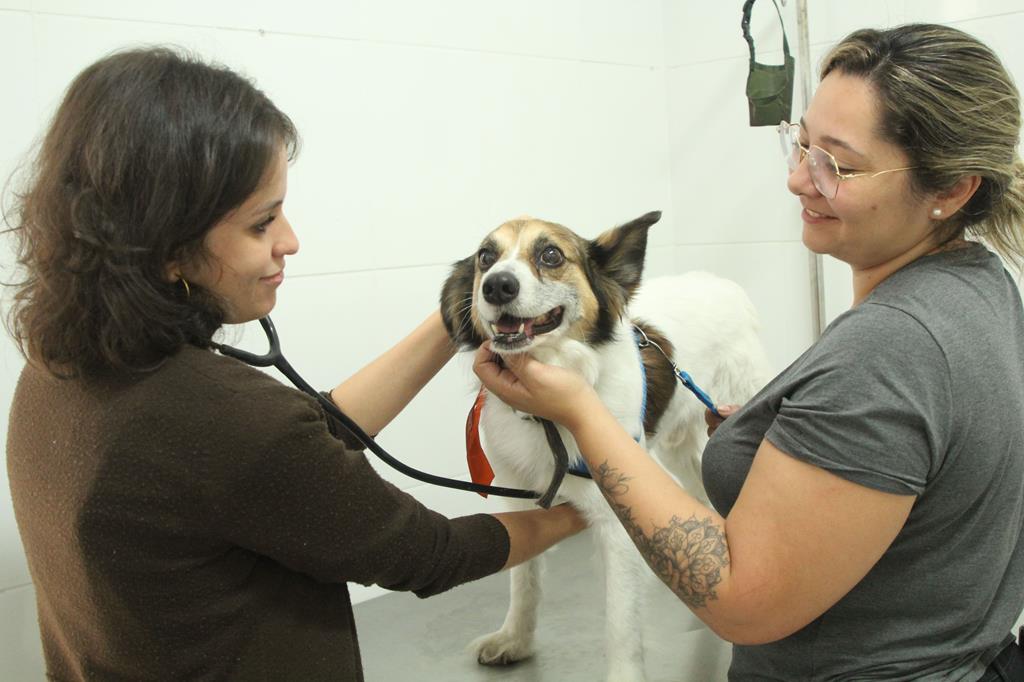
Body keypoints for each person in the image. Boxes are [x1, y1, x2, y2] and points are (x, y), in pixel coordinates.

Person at [3, 47, 586, 681]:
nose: (290, 240)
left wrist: (458, 316)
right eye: (262, 222)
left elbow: (292, 448)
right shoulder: (223, 421)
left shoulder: (60, 372)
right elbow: (427, 552)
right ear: (165, 246)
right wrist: (580, 513)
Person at [474, 23, 1024, 681]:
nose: (798, 180)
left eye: (837, 165)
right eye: (803, 145)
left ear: (952, 190)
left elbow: (739, 604)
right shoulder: (981, 285)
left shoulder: (889, 349)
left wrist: (585, 415)